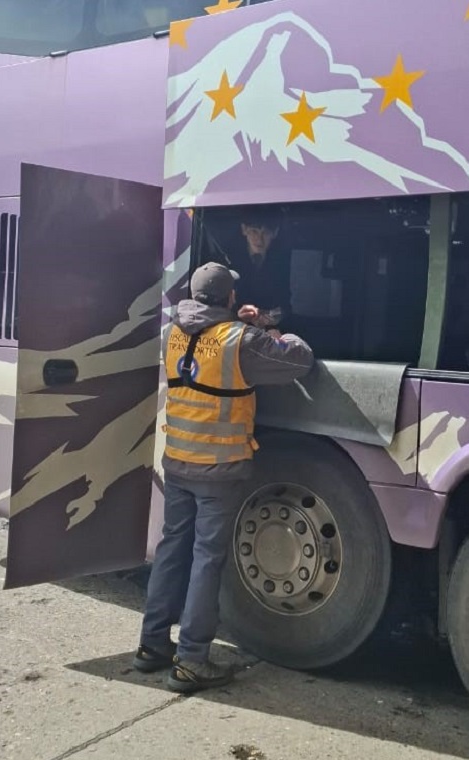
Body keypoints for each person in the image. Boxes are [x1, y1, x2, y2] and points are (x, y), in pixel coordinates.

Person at [134, 261, 314, 693]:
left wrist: (239, 323)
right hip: (219, 469)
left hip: (177, 462)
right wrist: (270, 329)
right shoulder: (241, 340)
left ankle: (152, 645)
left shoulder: (171, 334)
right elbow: (299, 360)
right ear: (229, 298)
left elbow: (207, 341)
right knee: (206, 559)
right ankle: (193, 659)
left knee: (172, 550)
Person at [226, 206, 292, 330]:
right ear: (244, 230)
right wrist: (237, 316)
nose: (259, 239)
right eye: (254, 231)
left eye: (265, 233)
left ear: (275, 233)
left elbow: (286, 302)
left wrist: (277, 317)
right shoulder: (228, 258)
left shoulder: (281, 260)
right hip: (235, 331)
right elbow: (217, 306)